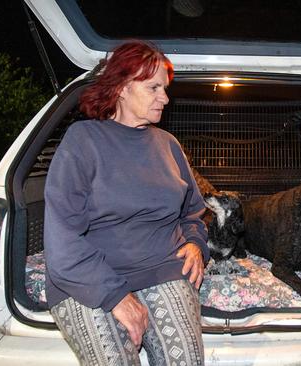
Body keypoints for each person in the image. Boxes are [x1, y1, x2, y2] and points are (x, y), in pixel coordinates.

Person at [44, 40, 209, 366]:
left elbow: (193, 211)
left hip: (163, 269)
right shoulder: (83, 140)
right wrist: (116, 297)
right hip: (89, 278)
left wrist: (194, 242)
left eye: (165, 87)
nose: (165, 97)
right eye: (154, 88)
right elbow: (62, 236)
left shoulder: (168, 145)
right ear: (120, 88)